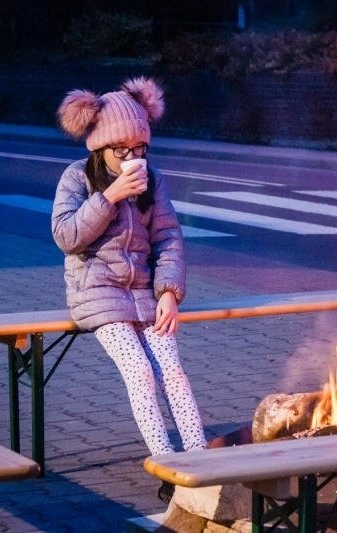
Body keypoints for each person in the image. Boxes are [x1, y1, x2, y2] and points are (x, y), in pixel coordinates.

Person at [52, 77, 207, 454]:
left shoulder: (152, 179)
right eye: (121, 150)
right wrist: (108, 197)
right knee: (140, 372)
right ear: (100, 147)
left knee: (171, 371)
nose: (132, 158)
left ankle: (202, 458)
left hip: (144, 292)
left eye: (140, 148)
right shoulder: (78, 177)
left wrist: (169, 292)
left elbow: (168, 237)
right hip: (98, 294)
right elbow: (66, 236)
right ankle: (165, 460)